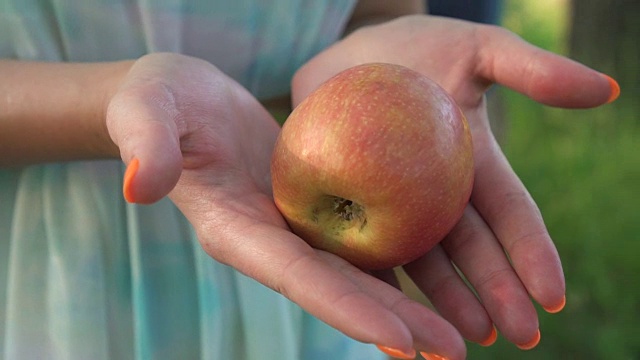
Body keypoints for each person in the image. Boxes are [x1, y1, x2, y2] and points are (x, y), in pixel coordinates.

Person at [0, 1, 619, 359]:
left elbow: (374, 9)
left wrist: (380, 43)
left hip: (310, 264)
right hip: (53, 266)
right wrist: (103, 100)